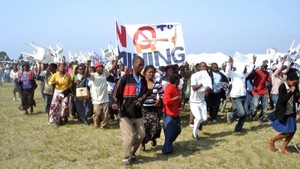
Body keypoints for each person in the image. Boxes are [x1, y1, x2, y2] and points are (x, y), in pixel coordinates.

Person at [111, 56, 148, 166]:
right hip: (125, 112)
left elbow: (145, 92)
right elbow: (115, 92)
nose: (141, 67)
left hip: (137, 113)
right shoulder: (125, 78)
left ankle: (132, 152)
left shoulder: (142, 79)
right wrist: (114, 102)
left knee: (141, 135)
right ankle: (126, 158)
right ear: (133, 64)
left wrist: (140, 100)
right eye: (139, 65)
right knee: (129, 136)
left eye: (142, 65)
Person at [268, 71, 299, 155]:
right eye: (293, 82)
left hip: (291, 112)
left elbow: (297, 97)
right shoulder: (282, 86)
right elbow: (282, 100)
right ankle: (272, 140)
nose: (294, 84)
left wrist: (296, 94)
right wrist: (291, 92)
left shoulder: (295, 86)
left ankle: (283, 148)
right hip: (283, 112)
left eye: (296, 82)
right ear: (288, 80)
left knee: (293, 131)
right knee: (287, 132)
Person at [226, 56, 255, 132]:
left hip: (243, 96)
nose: (245, 68)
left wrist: (253, 62)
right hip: (236, 96)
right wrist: (229, 63)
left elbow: (249, 70)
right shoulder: (233, 74)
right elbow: (227, 72)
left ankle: (238, 128)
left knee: (246, 114)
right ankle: (231, 115)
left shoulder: (244, 75)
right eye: (244, 67)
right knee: (241, 113)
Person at [140, 65, 163, 151]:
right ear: (145, 72)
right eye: (150, 72)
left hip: (154, 109)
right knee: (144, 127)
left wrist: (159, 99)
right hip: (143, 109)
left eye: (153, 72)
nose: (152, 74)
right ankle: (142, 144)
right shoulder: (141, 83)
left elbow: (162, 93)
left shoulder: (157, 83)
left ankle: (152, 138)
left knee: (156, 126)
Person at [190, 62, 212, 139]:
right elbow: (194, 88)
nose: (204, 68)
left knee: (204, 118)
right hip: (194, 101)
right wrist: (202, 84)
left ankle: (197, 123)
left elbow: (208, 93)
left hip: (202, 101)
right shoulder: (194, 76)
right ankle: (194, 134)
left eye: (205, 67)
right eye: (202, 67)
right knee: (199, 118)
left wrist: (208, 90)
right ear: (199, 68)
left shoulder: (208, 77)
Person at [162, 74, 182, 154]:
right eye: (179, 79)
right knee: (169, 131)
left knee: (178, 130)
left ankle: (168, 144)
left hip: (175, 113)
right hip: (168, 113)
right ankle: (166, 149)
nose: (180, 81)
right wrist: (176, 98)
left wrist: (180, 102)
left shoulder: (177, 89)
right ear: (176, 80)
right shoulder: (169, 88)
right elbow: (166, 101)